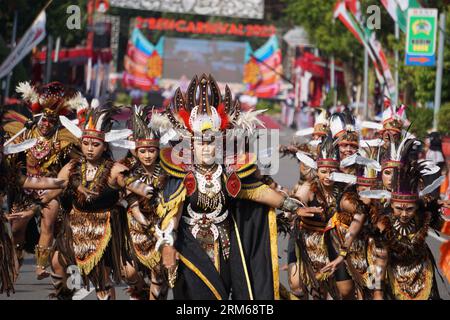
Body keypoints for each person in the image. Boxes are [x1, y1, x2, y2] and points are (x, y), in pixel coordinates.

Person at [155, 74, 317, 300]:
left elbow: (257, 192)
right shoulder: (181, 173)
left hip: (225, 249)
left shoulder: (229, 172)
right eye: (202, 143)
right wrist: (167, 245)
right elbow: (172, 214)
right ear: (191, 144)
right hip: (190, 250)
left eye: (212, 142)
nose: (207, 148)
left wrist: (292, 206)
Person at [37, 103, 156, 300]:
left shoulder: (115, 169)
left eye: (95, 144)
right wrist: (35, 195)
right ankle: (64, 295)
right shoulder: (72, 166)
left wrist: (147, 189)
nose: (90, 149)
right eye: (86, 143)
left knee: (123, 274)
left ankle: (140, 291)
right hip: (76, 225)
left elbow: (133, 186)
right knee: (57, 261)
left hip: (106, 229)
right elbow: (54, 186)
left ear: (105, 145)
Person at [4, 81, 82, 279]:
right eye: (43, 121)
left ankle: (40, 266)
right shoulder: (24, 133)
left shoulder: (63, 139)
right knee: (17, 228)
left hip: (50, 188)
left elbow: (80, 159)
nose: (46, 125)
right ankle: (17, 255)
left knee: (48, 222)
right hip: (25, 188)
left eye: (51, 121)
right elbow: (8, 155)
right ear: (37, 119)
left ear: (57, 122)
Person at [118, 106, 168, 300]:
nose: (147, 155)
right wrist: (135, 209)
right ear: (136, 150)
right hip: (132, 227)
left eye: (151, 151)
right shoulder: (126, 167)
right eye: (143, 151)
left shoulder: (166, 169)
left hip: (160, 226)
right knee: (128, 273)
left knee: (158, 275)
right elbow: (122, 191)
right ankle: (140, 290)